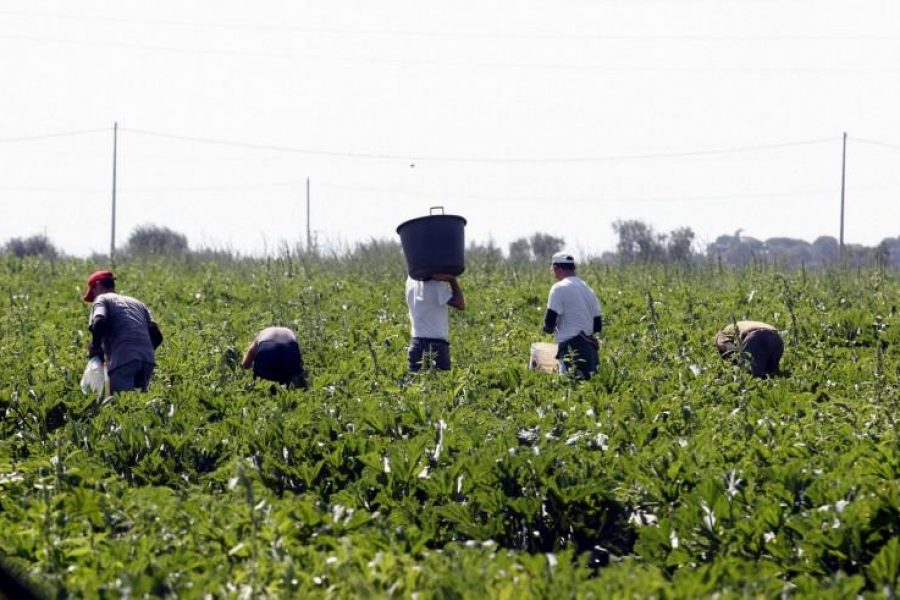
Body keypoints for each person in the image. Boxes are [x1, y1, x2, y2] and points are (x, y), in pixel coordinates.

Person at [83, 270, 163, 393]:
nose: (93, 297)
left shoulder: (102, 299)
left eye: (92, 292)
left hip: (123, 359)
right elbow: (157, 335)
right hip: (147, 360)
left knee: (122, 405)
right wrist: (140, 352)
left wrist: (96, 347)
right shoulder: (137, 303)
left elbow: (99, 322)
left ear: (98, 285)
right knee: (140, 404)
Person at [543, 252, 602, 380]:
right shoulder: (588, 289)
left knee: (571, 390)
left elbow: (549, 325)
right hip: (591, 351)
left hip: (572, 351)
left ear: (557, 268)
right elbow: (597, 326)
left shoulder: (558, 288)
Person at [406, 273, 465, 372]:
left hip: (415, 345)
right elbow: (460, 304)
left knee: (416, 385)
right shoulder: (436, 285)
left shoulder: (410, 281)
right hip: (436, 346)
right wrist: (452, 280)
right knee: (441, 385)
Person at [241, 326, 308, 388]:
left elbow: (246, 364)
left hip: (267, 362)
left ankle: (265, 382)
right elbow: (298, 357)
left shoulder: (262, 333)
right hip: (289, 364)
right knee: (291, 374)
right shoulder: (290, 332)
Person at [715, 320, 783, 377]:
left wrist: (734, 362)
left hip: (756, 336)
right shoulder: (737, 326)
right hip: (777, 340)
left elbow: (727, 347)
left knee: (751, 374)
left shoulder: (722, 334)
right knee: (770, 372)